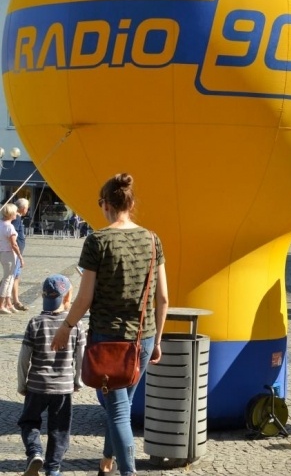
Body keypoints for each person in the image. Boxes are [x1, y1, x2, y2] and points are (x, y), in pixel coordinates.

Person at [50, 173, 169, 476]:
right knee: (121, 406)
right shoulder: (153, 240)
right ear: (130, 203)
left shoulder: (97, 241)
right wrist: (157, 341)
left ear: (105, 204)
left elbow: (85, 297)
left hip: (108, 339)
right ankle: (107, 460)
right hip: (143, 337)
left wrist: (65, 327)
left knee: (117, 410)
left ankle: (127, 472)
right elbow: (164, 298)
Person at [18, 274, 85, 476]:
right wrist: (77, 381)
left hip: (37, 385)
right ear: (67, 298)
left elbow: (23, 358)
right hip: (63, 388)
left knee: (29, 422)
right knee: (60, 428)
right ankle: (53, 468)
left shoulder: (35, 323)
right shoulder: (76, 327)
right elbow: (81, 357)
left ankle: (35, 452)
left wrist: (23, 384)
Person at [0, 203, 24, 314]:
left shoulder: (1, 223)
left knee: (10, 279)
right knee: (7, 279)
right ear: (11, 214)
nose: (17, 214)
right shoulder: (9, 227)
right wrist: (20, 257)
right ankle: (1, 305)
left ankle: (8, 304)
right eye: (15, 212)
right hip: (9, 254)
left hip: (2, 252)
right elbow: (14, 244)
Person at [11, 198, 30, 312]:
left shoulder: (17, 218)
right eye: (27, 208)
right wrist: (19, 254)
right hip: (15, 253)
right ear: (23, 209)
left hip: (17, 252)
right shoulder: (16, 218)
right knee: (13, 277)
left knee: (15, 276)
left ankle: (14, 300)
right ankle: (14, 301)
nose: (27, 210)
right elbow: (13, 236)